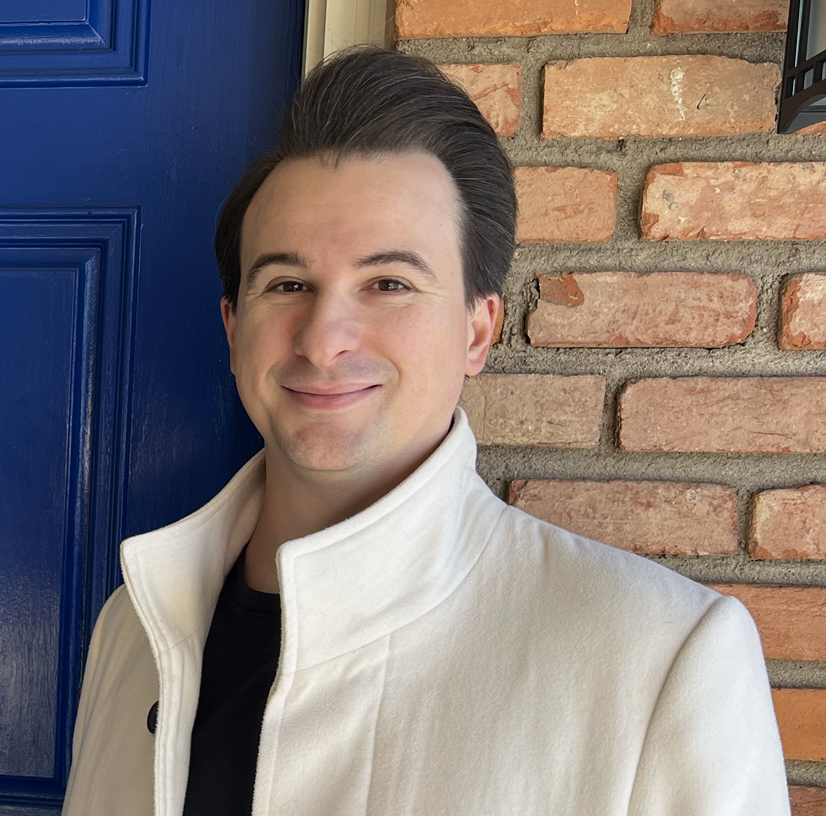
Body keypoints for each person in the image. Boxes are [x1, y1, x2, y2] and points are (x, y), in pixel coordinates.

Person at [61, 47, 789, 816]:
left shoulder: (661, 659)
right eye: (288, 284)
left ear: (479, 330)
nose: (322, 339)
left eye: (388, 284)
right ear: (233, 328)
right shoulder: (131, 631)